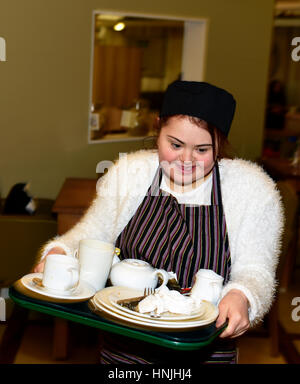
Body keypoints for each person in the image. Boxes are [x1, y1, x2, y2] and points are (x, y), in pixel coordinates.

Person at [34, 81, 284, 364]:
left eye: (202, 150)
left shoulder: (251, 189)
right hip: (124, 346)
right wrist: (61, 251)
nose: (186, 160)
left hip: (202, 353)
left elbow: (256, 269)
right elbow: (95, 232)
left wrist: (243, 295)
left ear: (220, 144)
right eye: (175, 144)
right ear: (157, 130)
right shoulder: (131, 172)